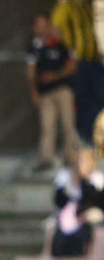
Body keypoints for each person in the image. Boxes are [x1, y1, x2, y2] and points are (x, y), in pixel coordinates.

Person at [51, 0, 101, 142]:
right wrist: (68, 55)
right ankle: (85, 138)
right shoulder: (64, 8)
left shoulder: (86, 8)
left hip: (93, 62)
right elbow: (56, 33)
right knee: (84, 100)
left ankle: (94, 135)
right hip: (78, 64)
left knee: (99, 98)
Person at [28, 14, 80, 171]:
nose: (42, 29)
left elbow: (72, 66)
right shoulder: (34, 47)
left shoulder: (60, 44)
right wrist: (34, 92)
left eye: (45, 25)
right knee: (47, 126)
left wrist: (55, 76)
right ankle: (46, 159)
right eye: (39, 26)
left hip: (63, 90)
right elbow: (30, 72)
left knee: (68, 123)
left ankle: (70, 157)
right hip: (45, 94)